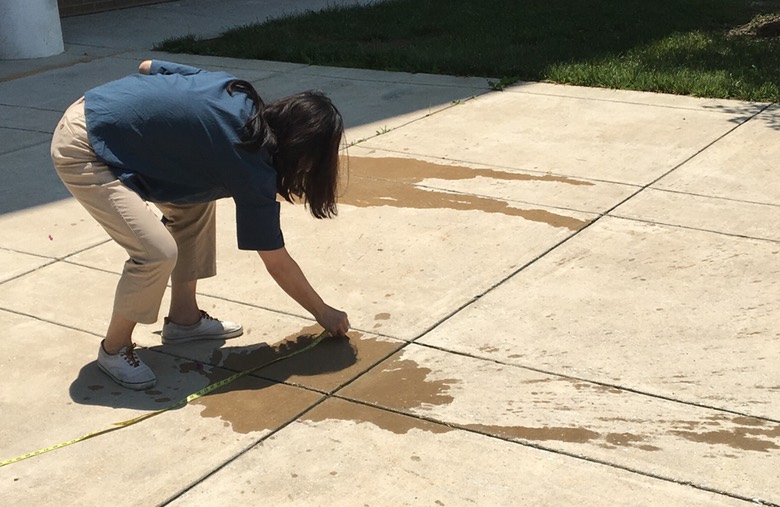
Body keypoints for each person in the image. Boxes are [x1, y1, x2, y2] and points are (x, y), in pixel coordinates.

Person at [51, 60, 350, 391]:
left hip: (96, 110)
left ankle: (184, 320)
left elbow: (148, 66)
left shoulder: (239, 94)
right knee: (155, 252)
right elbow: (276, 260)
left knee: (194, 206)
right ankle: (114, 349)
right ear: (301, 150)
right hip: (84, 147)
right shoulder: (251, 165)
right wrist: (323, 312)